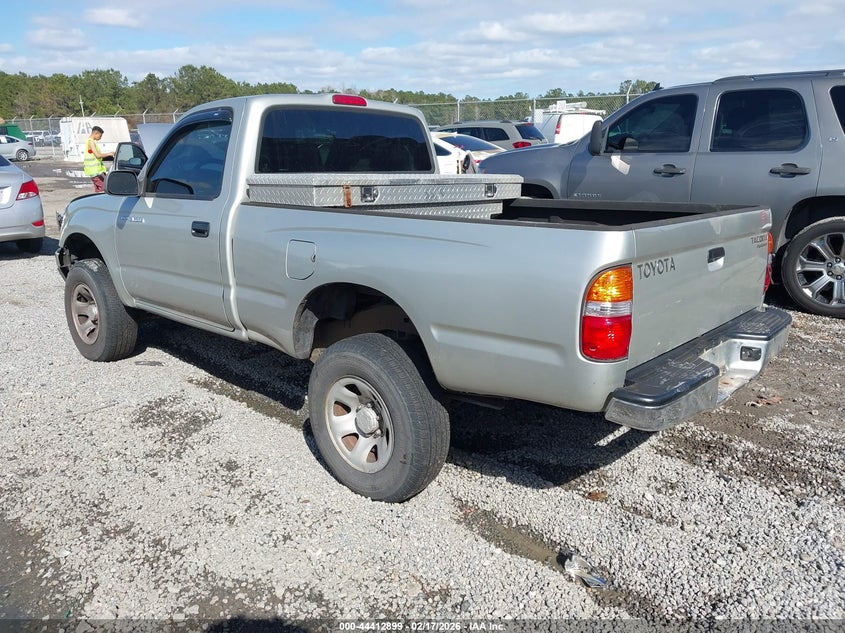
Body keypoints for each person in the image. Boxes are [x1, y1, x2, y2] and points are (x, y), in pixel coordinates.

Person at [83, 126, 114, 192]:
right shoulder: (91, 142)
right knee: (104, 190)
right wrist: (109, 154)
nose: (100, 138)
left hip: (96, 172)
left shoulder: (91, 142)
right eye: (100, 136)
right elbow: (98, 155)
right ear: (96, 133)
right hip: (95, 172)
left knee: (100, 190)